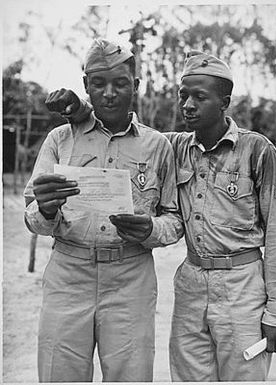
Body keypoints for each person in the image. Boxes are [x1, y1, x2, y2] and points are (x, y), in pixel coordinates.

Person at [48, 51, 276, 382]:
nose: (188, 105)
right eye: (183, 96)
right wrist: (81, 112)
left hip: (243, 288)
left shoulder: (258, 151)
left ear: (224, 101)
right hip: (191, 285)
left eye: (200, 97)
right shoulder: (173, 147)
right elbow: (123, 136)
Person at [24, 38, 184, 383]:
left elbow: (174, 219)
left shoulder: (157, 146)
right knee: (58, 372)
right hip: (68, 274)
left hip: (131, 277)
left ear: (136, 86)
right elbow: (31, 215)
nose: (109, 93)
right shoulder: (59, 140)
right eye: (98, 83)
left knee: (131, 374)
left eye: (120, 83)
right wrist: (47, 210)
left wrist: (151, 230)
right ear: (85, 87)